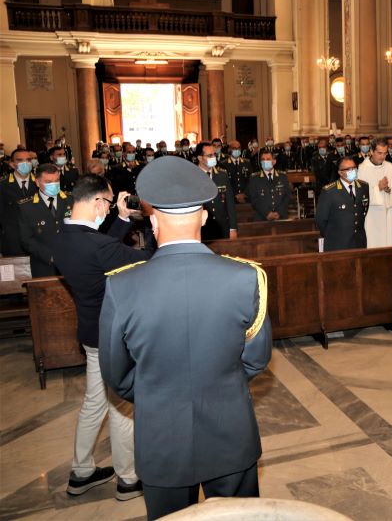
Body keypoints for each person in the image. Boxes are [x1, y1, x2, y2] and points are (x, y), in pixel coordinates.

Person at [99, 156, 272, 520]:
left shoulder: (123, 285)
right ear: (206, 218)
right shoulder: (245, 277)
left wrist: (156, 390)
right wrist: (218, 383)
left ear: (154, 221)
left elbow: (116, 374)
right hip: (231, 432)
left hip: (163, 438)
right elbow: (256, 358)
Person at [53, 174, 153, 501]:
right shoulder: (98, 246)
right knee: (122, 405)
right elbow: (149, 263)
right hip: (111, 335)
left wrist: (122, 218)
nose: (108, 208)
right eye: (109, 203)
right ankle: (128, 478)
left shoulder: (64, 236)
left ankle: (81, 471)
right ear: (97, 202)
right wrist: (156, 225)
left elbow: (100, 250)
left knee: (95, 402)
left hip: (89, 332)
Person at [18, 163, 72, 277]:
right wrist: (49, 256)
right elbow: (26, 239)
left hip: (72, 262)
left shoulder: (71, 200)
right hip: (44, 265)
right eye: (48, 182)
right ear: (37, 182)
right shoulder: (27, 207)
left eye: (56, 180)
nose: (54, 184)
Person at [316, 156, 369, 251]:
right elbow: (321, 220)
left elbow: (363, 210)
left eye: (354, 168)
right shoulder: (329, 191)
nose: (352, 171)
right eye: (348, 169)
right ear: (340, 172)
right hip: (338, 243)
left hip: (359, 242)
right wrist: (332, 235)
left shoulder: (363, 187)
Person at [357, 139, 392, 248]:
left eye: (385, 153)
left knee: (386, 244)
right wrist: (378, 188)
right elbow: (360, 195)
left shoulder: (390, 167)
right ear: (372, 151)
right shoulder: (362, 169)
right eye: (379, 153)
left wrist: (388, 189)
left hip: (387, 214)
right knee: (371, 244)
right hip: (370, 216)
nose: (382, 157)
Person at [196, 143, 238, 240]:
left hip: (222, 227)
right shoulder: (192, 177)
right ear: (200, 158)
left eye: (214, 154)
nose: (213, 157)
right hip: (201, 229)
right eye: (210, 155)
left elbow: (230, 203)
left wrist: (233, 228)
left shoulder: (222, 175)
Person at [1, 148, 38, 255]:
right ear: (12, 164)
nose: (25, 163)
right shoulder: (3, 186)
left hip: (37, 242)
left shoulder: (41, 183)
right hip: (13, 243)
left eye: (28, 160)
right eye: (20, 160)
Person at [247, 151, 292, 221]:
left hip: (281, 216)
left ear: (274, 161)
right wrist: (267, 213)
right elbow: (254, 200)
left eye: (268, 159)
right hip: (262, 218)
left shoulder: (283, 177)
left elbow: (287, 196)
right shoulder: (254, 178)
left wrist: (278, 212)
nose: (265, 161)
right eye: (263, 159)